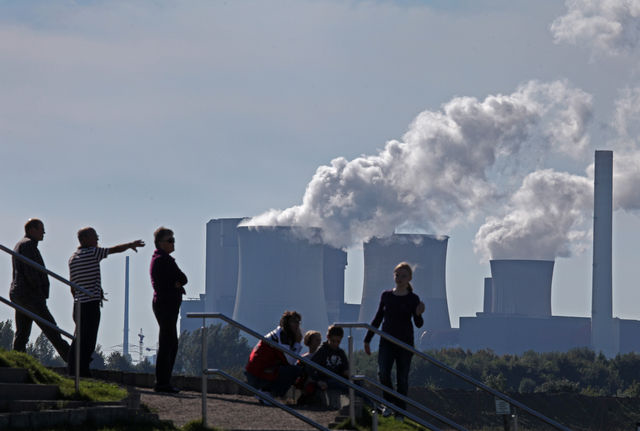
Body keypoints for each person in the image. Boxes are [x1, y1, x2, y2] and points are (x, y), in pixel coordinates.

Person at [67, 227, 144, 377]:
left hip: (77, 304)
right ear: (85, 239)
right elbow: (113, 250)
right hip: (90, 304)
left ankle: (73, 369)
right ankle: (81, 371)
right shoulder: (93, 253)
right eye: (95, 237)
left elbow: (72, 284)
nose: (97, 240)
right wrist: (130, 245)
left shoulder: (73, 258)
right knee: (89, 340)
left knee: (78, 338)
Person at [364, 262, 425, 420]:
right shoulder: (386, 296)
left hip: (405, 343)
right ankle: (389, 405)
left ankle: (400, 412)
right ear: (394, 276)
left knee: (402, 378)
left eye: (403, 276)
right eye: (397, 275)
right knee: (383, 373)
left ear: (409, 278)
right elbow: (378, 318)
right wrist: (367, 339)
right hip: (387, 341)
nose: (399, 278)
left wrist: (418, 314)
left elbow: (418, 324)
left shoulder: (413, 298)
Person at [10, 219, 70, 361]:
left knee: (23, 331)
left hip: (20, 293)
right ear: (32, 230)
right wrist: (40, 290)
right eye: (41, 229)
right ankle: (72, 359)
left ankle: (17, 359)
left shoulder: (22, 245)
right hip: (30, 295)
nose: (44, 232)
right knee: (51, 328)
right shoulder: (28, 245)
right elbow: (31, 271)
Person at [150, 227, 187, 393]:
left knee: (170, 343)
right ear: (160, 243)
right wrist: (176, 283)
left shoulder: (161, 259)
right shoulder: (163, 260)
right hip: (166, 305)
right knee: (168, 343)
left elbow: (181, 280)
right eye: (170, 240)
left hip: (165, 304)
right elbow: (182, 278)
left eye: (173, 240)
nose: (173, 243)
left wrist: (177, 283)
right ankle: (162, 383)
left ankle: (164, 381)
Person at [245, 311, 303, 402]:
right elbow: (290, 361)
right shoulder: (281, 338)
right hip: (257, 376)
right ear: (287, 323)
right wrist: (298, 343)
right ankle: (269, 393)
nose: (297, 325)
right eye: (294, 321)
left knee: (291, 369)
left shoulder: (279, 334)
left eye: (298, 322)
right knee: (295, 370)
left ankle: (267, 392)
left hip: (255, 373)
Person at [310, 324, 350, 409]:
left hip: (338, 379)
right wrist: (318, 381)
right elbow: (310, 367)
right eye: (333, 341)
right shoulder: (322, 351)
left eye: (338, 342)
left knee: (358, 382)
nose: (335, 344)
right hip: (326, 381)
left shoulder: (341, 353)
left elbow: (345, 369)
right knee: (338, 384)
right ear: (328, 337)